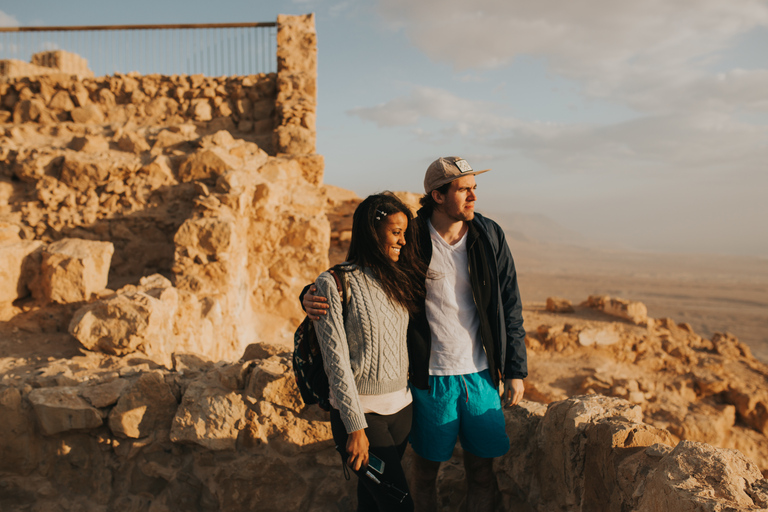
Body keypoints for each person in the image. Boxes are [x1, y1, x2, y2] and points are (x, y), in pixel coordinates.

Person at [304, 157, 527, 512]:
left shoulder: (488, 235)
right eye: (464, 189)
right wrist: (310, 293)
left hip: (481, 375)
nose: (473, 196)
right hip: (429, 378)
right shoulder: (414, 237)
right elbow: (366, 268)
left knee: (482, 472)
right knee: (423, 474)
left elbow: (510, 303)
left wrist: (515, 368)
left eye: (474, 188)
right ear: (437, 195)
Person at [312, 193, 428, 512]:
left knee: (373, 503)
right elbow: (336, 363)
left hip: (401, 409)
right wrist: (355, 427)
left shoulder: (401, 277)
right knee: (398, 503)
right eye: (395, 232)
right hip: (363, 417)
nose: (403, 241)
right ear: (371, 231)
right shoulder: (333, 282)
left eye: (405, 232)